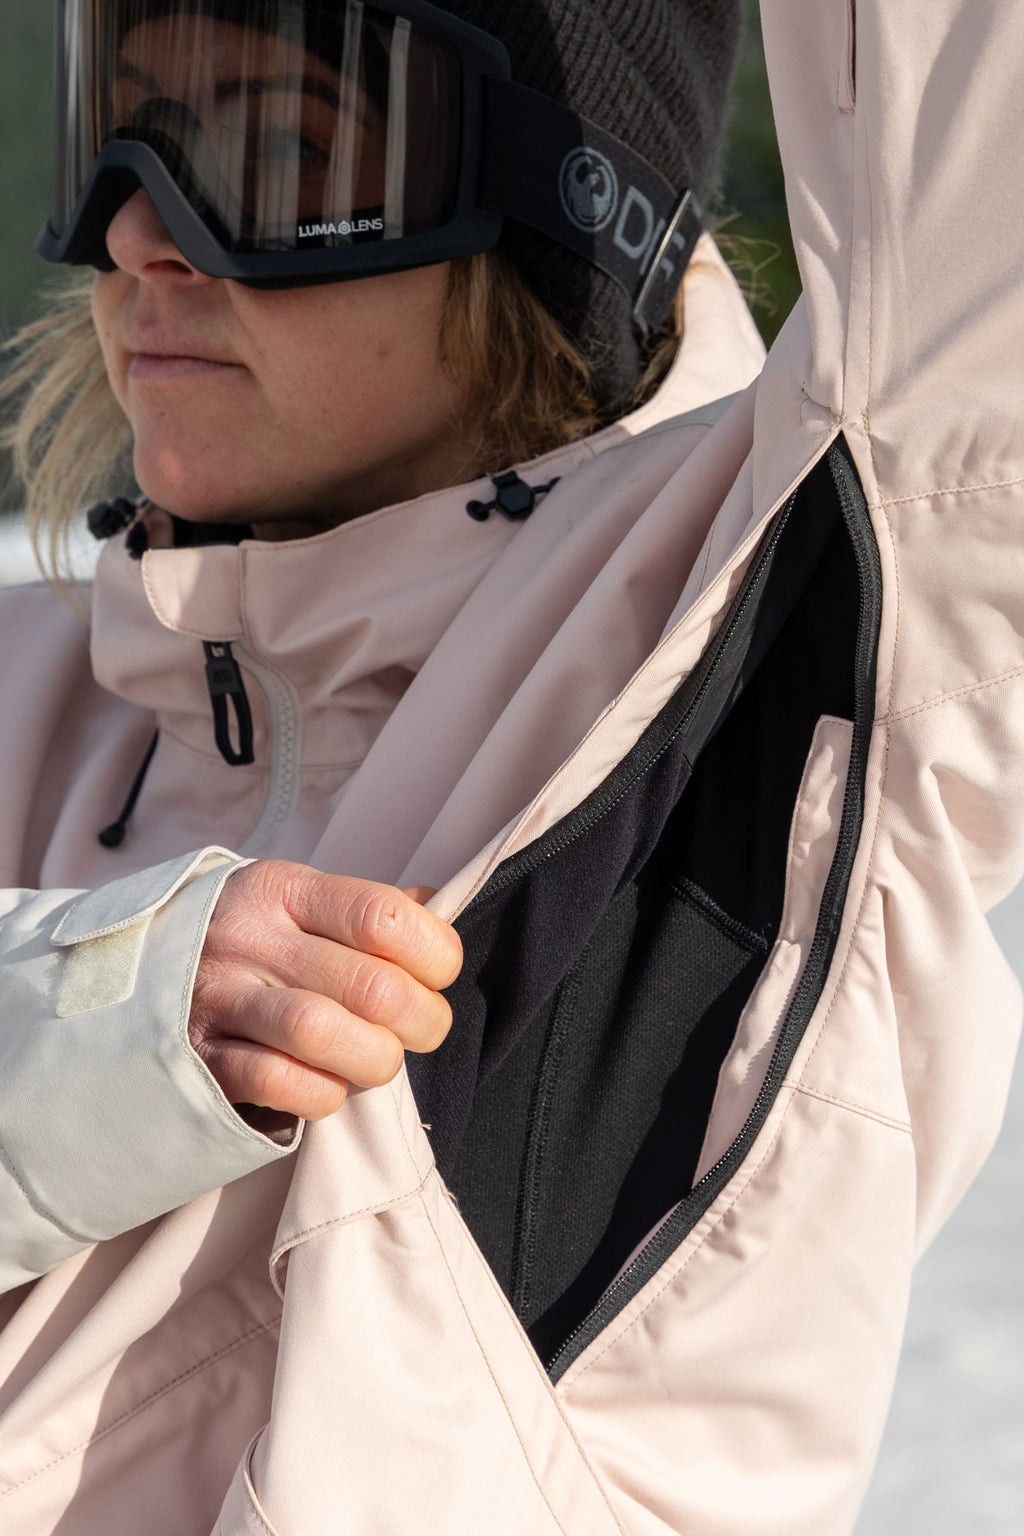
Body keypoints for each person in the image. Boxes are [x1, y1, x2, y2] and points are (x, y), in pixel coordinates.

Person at [0, 1, 1021, 1533]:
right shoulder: (35, 687)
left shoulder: (788, 639)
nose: (138, 230)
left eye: (273, 154)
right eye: (113, 132)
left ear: (559, 212)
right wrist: (75, 1026)